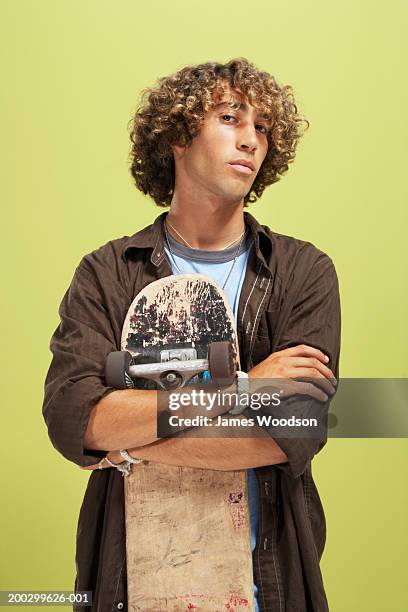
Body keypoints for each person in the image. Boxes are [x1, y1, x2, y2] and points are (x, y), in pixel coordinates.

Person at [42, 58, 341, 612]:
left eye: (262, 128)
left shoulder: (303, 271)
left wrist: (125, 445)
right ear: (178, 136)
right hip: (130, 581)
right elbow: (74, 418)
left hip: (267, 585)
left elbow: (291, 434)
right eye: (231, 118)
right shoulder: (108, 272)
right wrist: (243, 390)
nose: (251, 140)